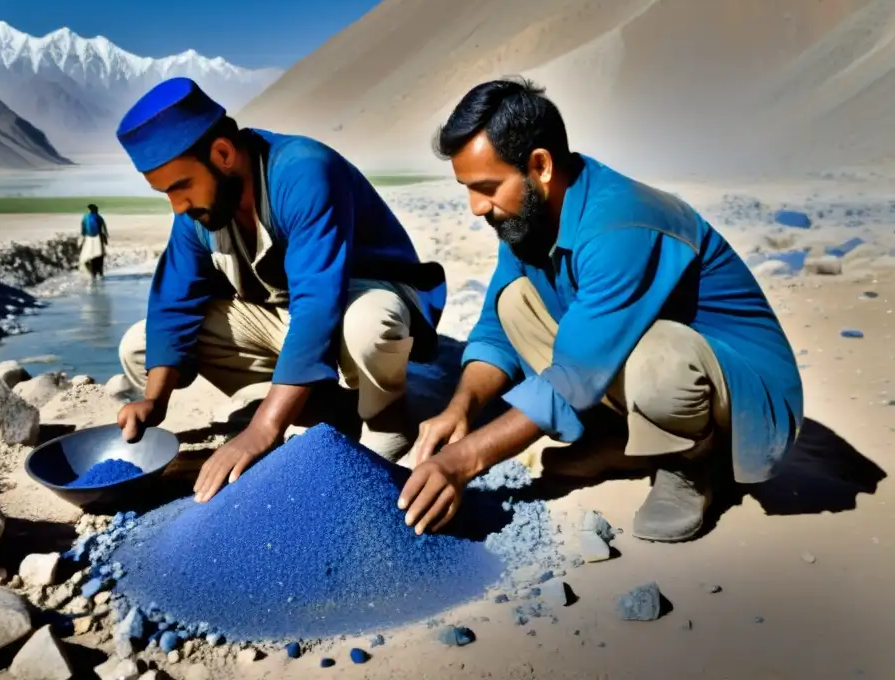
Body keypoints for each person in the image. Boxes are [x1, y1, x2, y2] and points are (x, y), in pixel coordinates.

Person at [398, 78, 803, 542]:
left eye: (486, 187)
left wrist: (463, 460)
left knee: (660, 356)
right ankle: (623, 441)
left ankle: (690, 462)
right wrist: (461, 407)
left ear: (540, 166)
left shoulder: (620, 222)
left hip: (746, 394)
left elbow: (574, 375)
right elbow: (496, 328)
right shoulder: (527, 215)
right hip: (632, 359)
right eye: (467, 189)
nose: (475, 207)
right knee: (515, 302)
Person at [113, 77, 447, 503]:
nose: (177, 206)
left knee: (370, 325)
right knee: (140, 346)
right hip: (292, 317)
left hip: (360, 297)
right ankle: (317, 399)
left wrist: (263, 429)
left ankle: (386, 419)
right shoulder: (200, 211)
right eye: (165, 193)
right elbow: (174, 301)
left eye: (180, 187)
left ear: (222, 154)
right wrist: (154, 401)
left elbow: (316, 304)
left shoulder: (303, 171)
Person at [79, 203, 109, 280]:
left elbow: (83, 230)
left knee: (90, 256)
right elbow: (104, 230)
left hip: (88, 239)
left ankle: (93, 274)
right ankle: (100, 273)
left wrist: (81, 240)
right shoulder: (99, 217)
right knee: (99, 256)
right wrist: (105, 240)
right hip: (98, 239)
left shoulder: (85, 217)